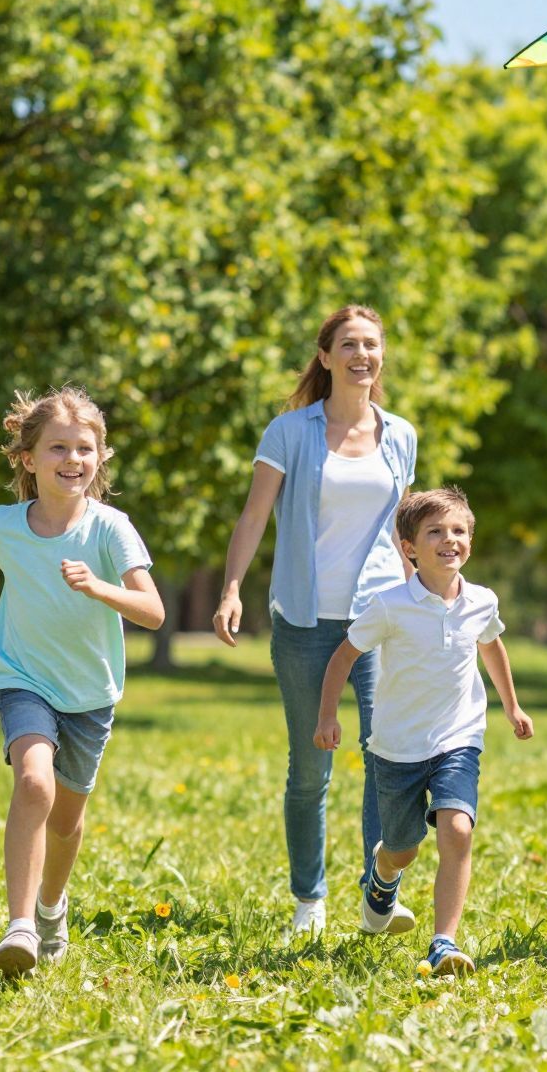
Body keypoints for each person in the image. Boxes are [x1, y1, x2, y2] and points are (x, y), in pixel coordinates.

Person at [0, 387, 163, 975]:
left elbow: (153, 611)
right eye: (58, 448)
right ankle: (19, 926)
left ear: (100, 459)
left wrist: (98, 587)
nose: (73, 459)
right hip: (24, 679)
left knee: (67, 821)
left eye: (85, 449)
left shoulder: (110, 529)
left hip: (91, 694)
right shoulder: (5, 526)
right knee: (35, 785)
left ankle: (50, 908)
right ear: (29, 458)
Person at [211, 306, 419, 936]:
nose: (362, 354)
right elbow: (253, 516)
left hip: (379, 618)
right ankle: (310, 900)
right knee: (310, 769)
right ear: (325, 356)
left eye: (372, 345)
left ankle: (378, 895)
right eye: (348, 344)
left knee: (387, 759)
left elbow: (405, 529)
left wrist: (422, 605)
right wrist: (230, 589)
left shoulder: (401, 435)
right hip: (303, 620)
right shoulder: (289, 432)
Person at [314, 488, 534, 975]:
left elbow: (491, 647)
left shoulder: (481, 600)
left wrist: (512, 706)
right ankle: (383, 876)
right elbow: (343, 657)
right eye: (435, 531)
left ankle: (443, 942)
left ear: (471, 541)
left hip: (458, 736)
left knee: (457, 830)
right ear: (409, 546)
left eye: (458, 530)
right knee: (403, 847)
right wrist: (329, 714)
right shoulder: (390, 604)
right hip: (396, 746)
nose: (449, 540)